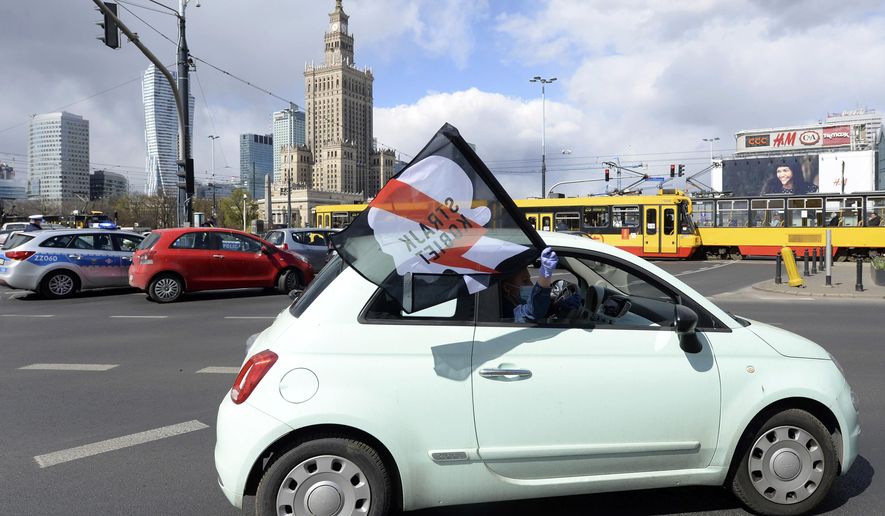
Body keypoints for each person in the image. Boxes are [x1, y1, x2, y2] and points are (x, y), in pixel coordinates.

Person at [501, 247, 558, 322]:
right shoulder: (505, 312)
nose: (531, 284)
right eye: (525, 281)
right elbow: (531, 312)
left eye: (529, 280)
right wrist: (544, 277)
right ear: (507, 287)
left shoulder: (515, 302)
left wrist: (558, 304)